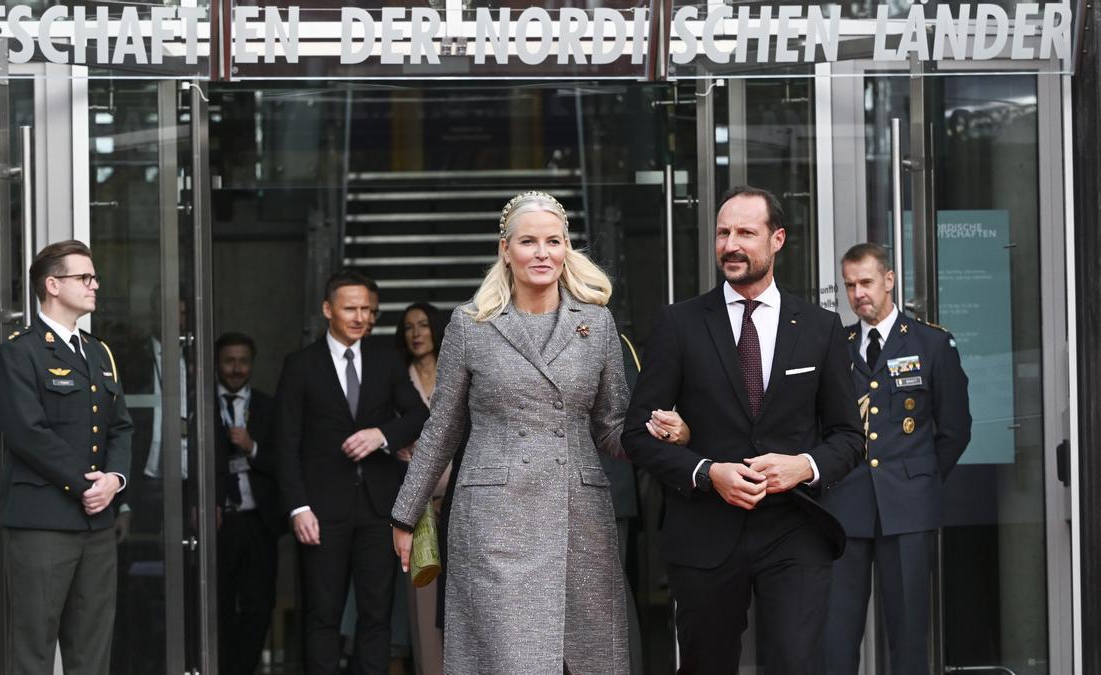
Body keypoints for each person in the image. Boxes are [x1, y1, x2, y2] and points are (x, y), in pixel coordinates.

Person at [392, 190, 678, 674]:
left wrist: (657, 434)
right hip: (494, 521)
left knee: (588, 656)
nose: (541, 253)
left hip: (579, 515)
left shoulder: (597, 322)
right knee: (508, 656)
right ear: (506, 249)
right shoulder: (471, 324)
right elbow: (442, 426)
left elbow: (611, 427)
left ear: (567, 248)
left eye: (553, 241)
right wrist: (407, 513)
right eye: (528, 242)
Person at [621, 186, 864, 675]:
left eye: (745, 233)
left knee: (796, 664)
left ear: (777, 239)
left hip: (795, 529)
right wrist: (708, 472)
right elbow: (637, 434)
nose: (731, 244)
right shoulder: (679, 323)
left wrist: (804, 466)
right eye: (723, 232)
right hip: (705, 530)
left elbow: (848, 436)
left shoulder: (819, 327)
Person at [823, 243, 972, 675]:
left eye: (866, 282)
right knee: (837, 635)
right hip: (846, 508)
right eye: (850, 285)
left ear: (889, 280)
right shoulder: (836, 346)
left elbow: (955, 429)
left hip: (908, 509)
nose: (858, 294)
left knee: (908, 637)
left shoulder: (932, 343)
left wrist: (919, 479)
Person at [274, 270, 428, 675]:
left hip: (379, 508)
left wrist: (382, 434)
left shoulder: (386, 359)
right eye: (350, 309)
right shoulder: (300, 365)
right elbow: (285, 445)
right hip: (321, 511)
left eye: (367, 310)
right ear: (328, 310)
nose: (360, 317)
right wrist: (298, 508)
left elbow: (418, 414)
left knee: (376, 615)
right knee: (323, 616)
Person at [0, 239, 134, 675]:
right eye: (84, 277)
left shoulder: (98, 352)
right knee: (33, 650)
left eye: (94, 277)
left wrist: (115, 480)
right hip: (42, 524)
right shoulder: (21, 350)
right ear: (52, 285)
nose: (95, 285)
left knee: (91, 650)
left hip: (96, 523)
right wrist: (86, 484)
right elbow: (26, 433)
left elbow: (121, 426)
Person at [213, 332, 284, 675]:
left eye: (243, 361)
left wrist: (252, 447)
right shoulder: (200, 404)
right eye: (229, 361)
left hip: (258, 520)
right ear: (217, 363)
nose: (236, 368)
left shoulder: (269, 406)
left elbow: (284, 463)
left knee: (258, 606)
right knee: (218, 605)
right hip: (218, 521)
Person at [393, 302, 449, 675]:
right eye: (409, 327)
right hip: (418, 504)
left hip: (462, 496)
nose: (416, 333)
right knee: (424, 599)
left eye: (423, 325)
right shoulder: (396, 378)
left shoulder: (456, 370)